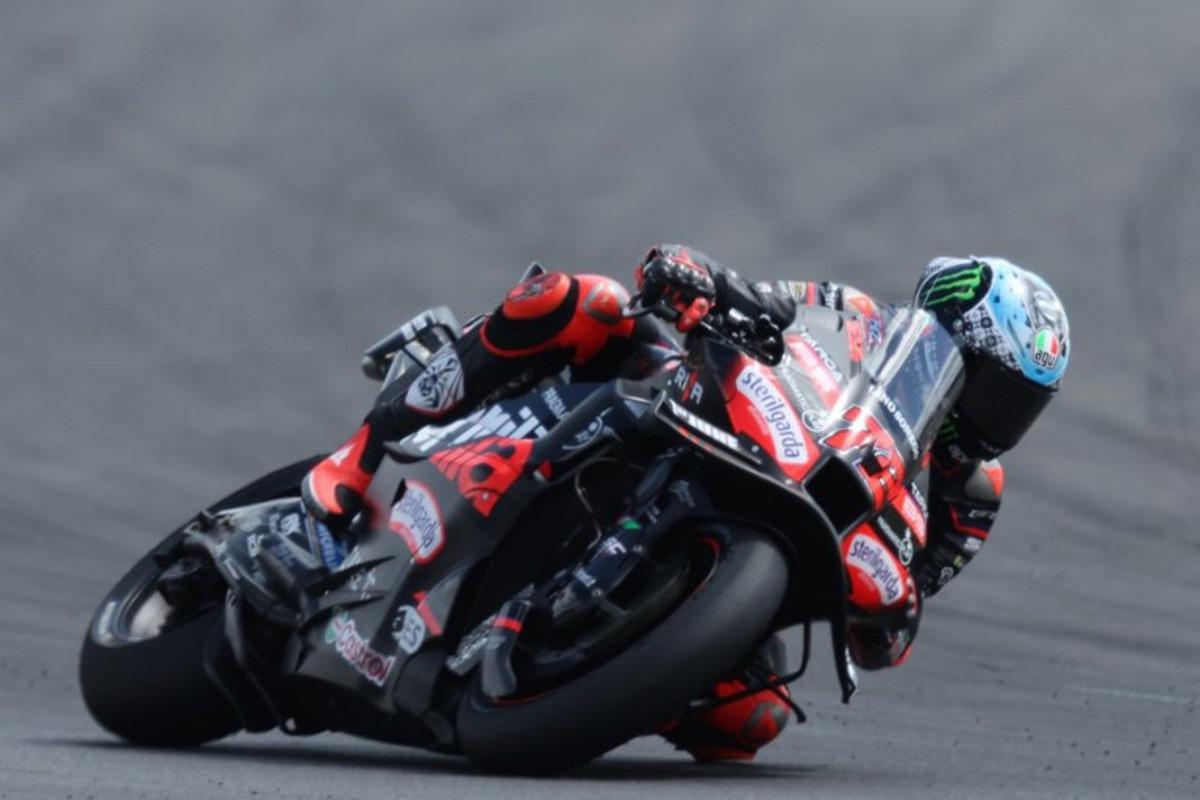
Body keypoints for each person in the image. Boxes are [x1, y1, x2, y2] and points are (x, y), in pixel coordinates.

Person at [301, 244, 1071, 762]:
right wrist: (699, 280)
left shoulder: (970, 498)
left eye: (1018, 404)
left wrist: (888, 611)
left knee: (749, 724)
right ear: (943, 338)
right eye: (991, 385)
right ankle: (360, 452)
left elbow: (898, 622)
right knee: (586, 303)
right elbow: (770, 308)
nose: (996, 417)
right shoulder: (860, 319)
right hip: (726, 417)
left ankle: (595, 674)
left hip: (786, 536)